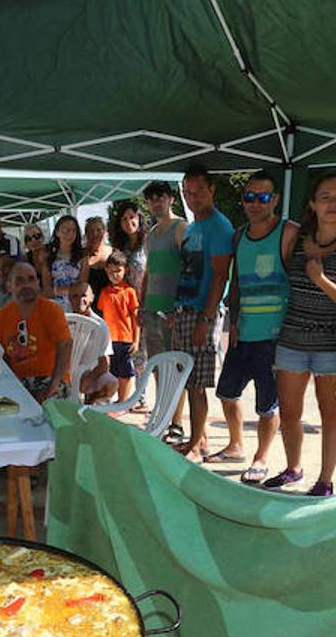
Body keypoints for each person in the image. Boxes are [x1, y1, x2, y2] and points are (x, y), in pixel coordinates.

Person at [265, 175, 336, 494]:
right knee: (289, 412)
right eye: (325, 196)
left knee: (331, 415)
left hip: (334, 345)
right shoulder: (296, 239)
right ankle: (293, 468)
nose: (333, 203)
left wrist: (321, 280)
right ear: (312, 203)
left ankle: (325, 481)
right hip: (292, 339)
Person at [210, 170, 296, 485]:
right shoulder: (239, 235)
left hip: (274, 338)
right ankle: (236, 445)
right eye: (249, 197)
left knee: (267, 404)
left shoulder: (288, 232)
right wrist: (232, 324)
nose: (255, 203)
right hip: (243, 333)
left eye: (262, 197)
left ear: (274, 200)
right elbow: (235, 285)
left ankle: (261, 457)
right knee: (227, 392)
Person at [172, 164, 235, 458]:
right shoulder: (192, 227)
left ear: (212, 190)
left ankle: (197, 445)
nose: (192, 197)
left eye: (198, 191)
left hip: (203, 314)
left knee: (197, 385)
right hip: (184, 311)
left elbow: (221, 276)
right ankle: (199, 439)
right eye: (187, 192)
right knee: (186, 381)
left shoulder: (220, 227)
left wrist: (206, 319)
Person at [139, 180, 187, 441]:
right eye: (151, 199)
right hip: (152, 310)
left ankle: (177, 423)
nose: (156, 202)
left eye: (161, 197)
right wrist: (142, 305)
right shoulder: (151, 234)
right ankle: (163, 414)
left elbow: (189, 270)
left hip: (173, 312)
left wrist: (177, 309)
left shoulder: (181, 228)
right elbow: (148, 273)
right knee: (158, 367)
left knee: (176, 369)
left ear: (171, 199)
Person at [0, 261, 72, 403]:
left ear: (37, 283)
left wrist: (53, 385)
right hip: (18, 381)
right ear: (9, 285)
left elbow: (65, 344)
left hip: (51, 379)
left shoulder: (52, 310)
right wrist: (9, 385)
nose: (27, 285)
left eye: (31, 279)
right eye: (20, 280)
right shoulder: (0, 318)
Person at [96, 252, 141, 402]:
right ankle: (114, 401)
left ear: (125, 270)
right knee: (113, 371)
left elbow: (136, 319)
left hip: (125, 339)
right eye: (111, 271)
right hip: (109, 340)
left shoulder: (129, 292)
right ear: (106, 271)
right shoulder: (104, 292)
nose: (114, 275)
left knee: (126, 373)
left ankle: (123, 402)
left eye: (118, 271)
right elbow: (102, 317)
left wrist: (136, 340)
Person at [67, 280, 119, 404]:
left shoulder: (100, 325)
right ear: (69, 298)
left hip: (86, 374)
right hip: (62, 372)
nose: (80, 299)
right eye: (75, 296)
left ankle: (89, 407)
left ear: (92, 298)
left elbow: (104, 363)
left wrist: (88, 380)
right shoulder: (63, 319)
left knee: (111, 384)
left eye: (84, 296)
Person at [44, 215, 85, 309]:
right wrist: (71, 290)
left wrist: (58, 290)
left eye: (73, 230)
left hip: (77, 307)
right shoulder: (48, 257)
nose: (70, 234)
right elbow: (46, 291)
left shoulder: (83, 257)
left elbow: (82, 288)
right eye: (66, 230)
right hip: (55, 308)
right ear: (57, 232)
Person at [82, 215, 113, 296]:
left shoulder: (113, 252)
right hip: (89, 303)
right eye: (91, 231)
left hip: (111, 303)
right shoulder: (81, 255)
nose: (95, 234)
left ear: (104, 231)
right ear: (86, 234)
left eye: (98, 230)